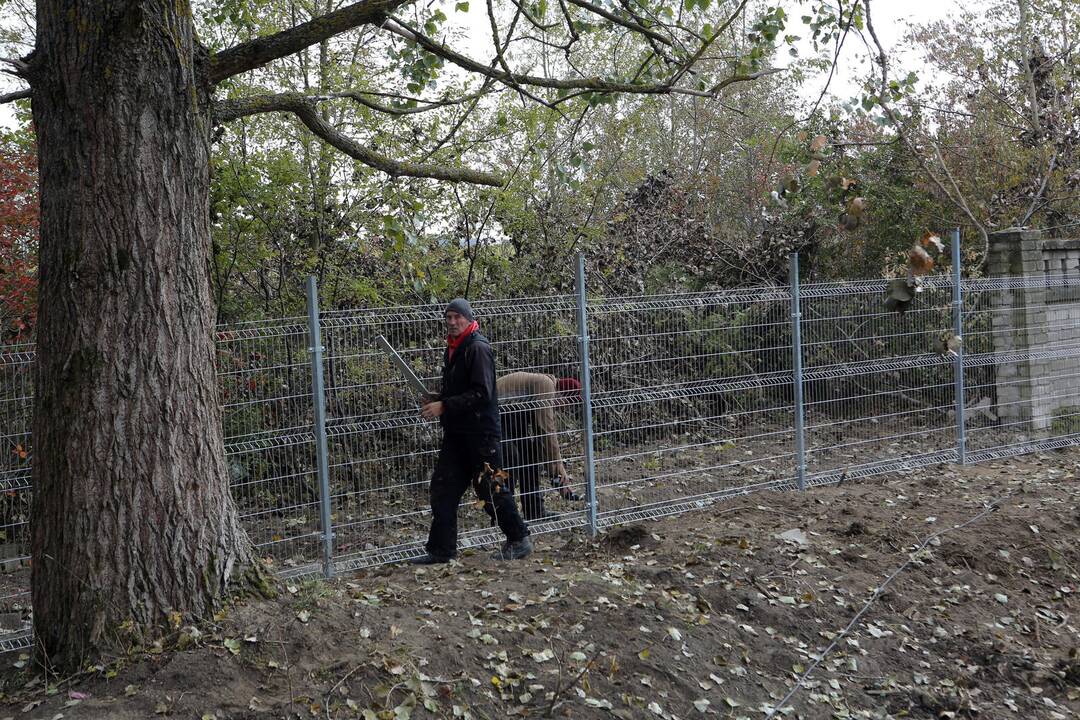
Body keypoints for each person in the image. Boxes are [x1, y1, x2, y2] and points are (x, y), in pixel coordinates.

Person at [411, 298, 533, 564]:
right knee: (443, 489)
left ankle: (519, 539)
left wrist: (444, 405)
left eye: (457, 317)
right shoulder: (453, 348)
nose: (452, 322)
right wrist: (438, 397)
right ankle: (441, 550)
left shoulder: (477, 348)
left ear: (468, 319)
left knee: (491, 488)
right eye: (449, 317)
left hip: (481, 435)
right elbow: (462, 389)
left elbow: (481, 392)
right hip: (457, 435)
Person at [498, 372, 582, 521]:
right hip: (494, 414)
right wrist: (558, 467)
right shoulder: (546, 386)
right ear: (562, 395)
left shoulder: (543, 386)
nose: (566, 410)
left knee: (529, 456)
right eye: (568, 405)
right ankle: (505, 516)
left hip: (511, 415)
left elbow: (541, 435)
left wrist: (554, 472)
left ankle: (535, 512)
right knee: (512, 460)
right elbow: (546, 430)